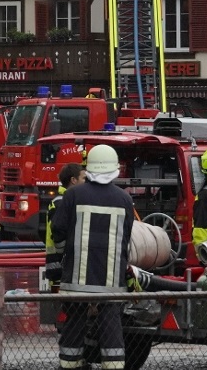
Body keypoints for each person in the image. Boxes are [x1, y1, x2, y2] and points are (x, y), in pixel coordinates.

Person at [52, 144, 135, 370]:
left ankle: (70, 364)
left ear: (89, 168)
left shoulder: (73, 194)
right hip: (111, 278)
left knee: (75, 320)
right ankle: (114, 365)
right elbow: (126, 237)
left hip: (76, 277)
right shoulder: (124, 199)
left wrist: (64, 255)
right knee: (111, 322)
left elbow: (57, 230)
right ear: (115, 168)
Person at [45, 162, 85, 332]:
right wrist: (66, 256)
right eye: (83, 178)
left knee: (68, 308)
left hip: (60, 262)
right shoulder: (62, 202)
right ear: (73, 180)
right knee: (65, 309)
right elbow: (59, 233)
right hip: (59, 263)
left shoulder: (64, 201)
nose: (86, 182)